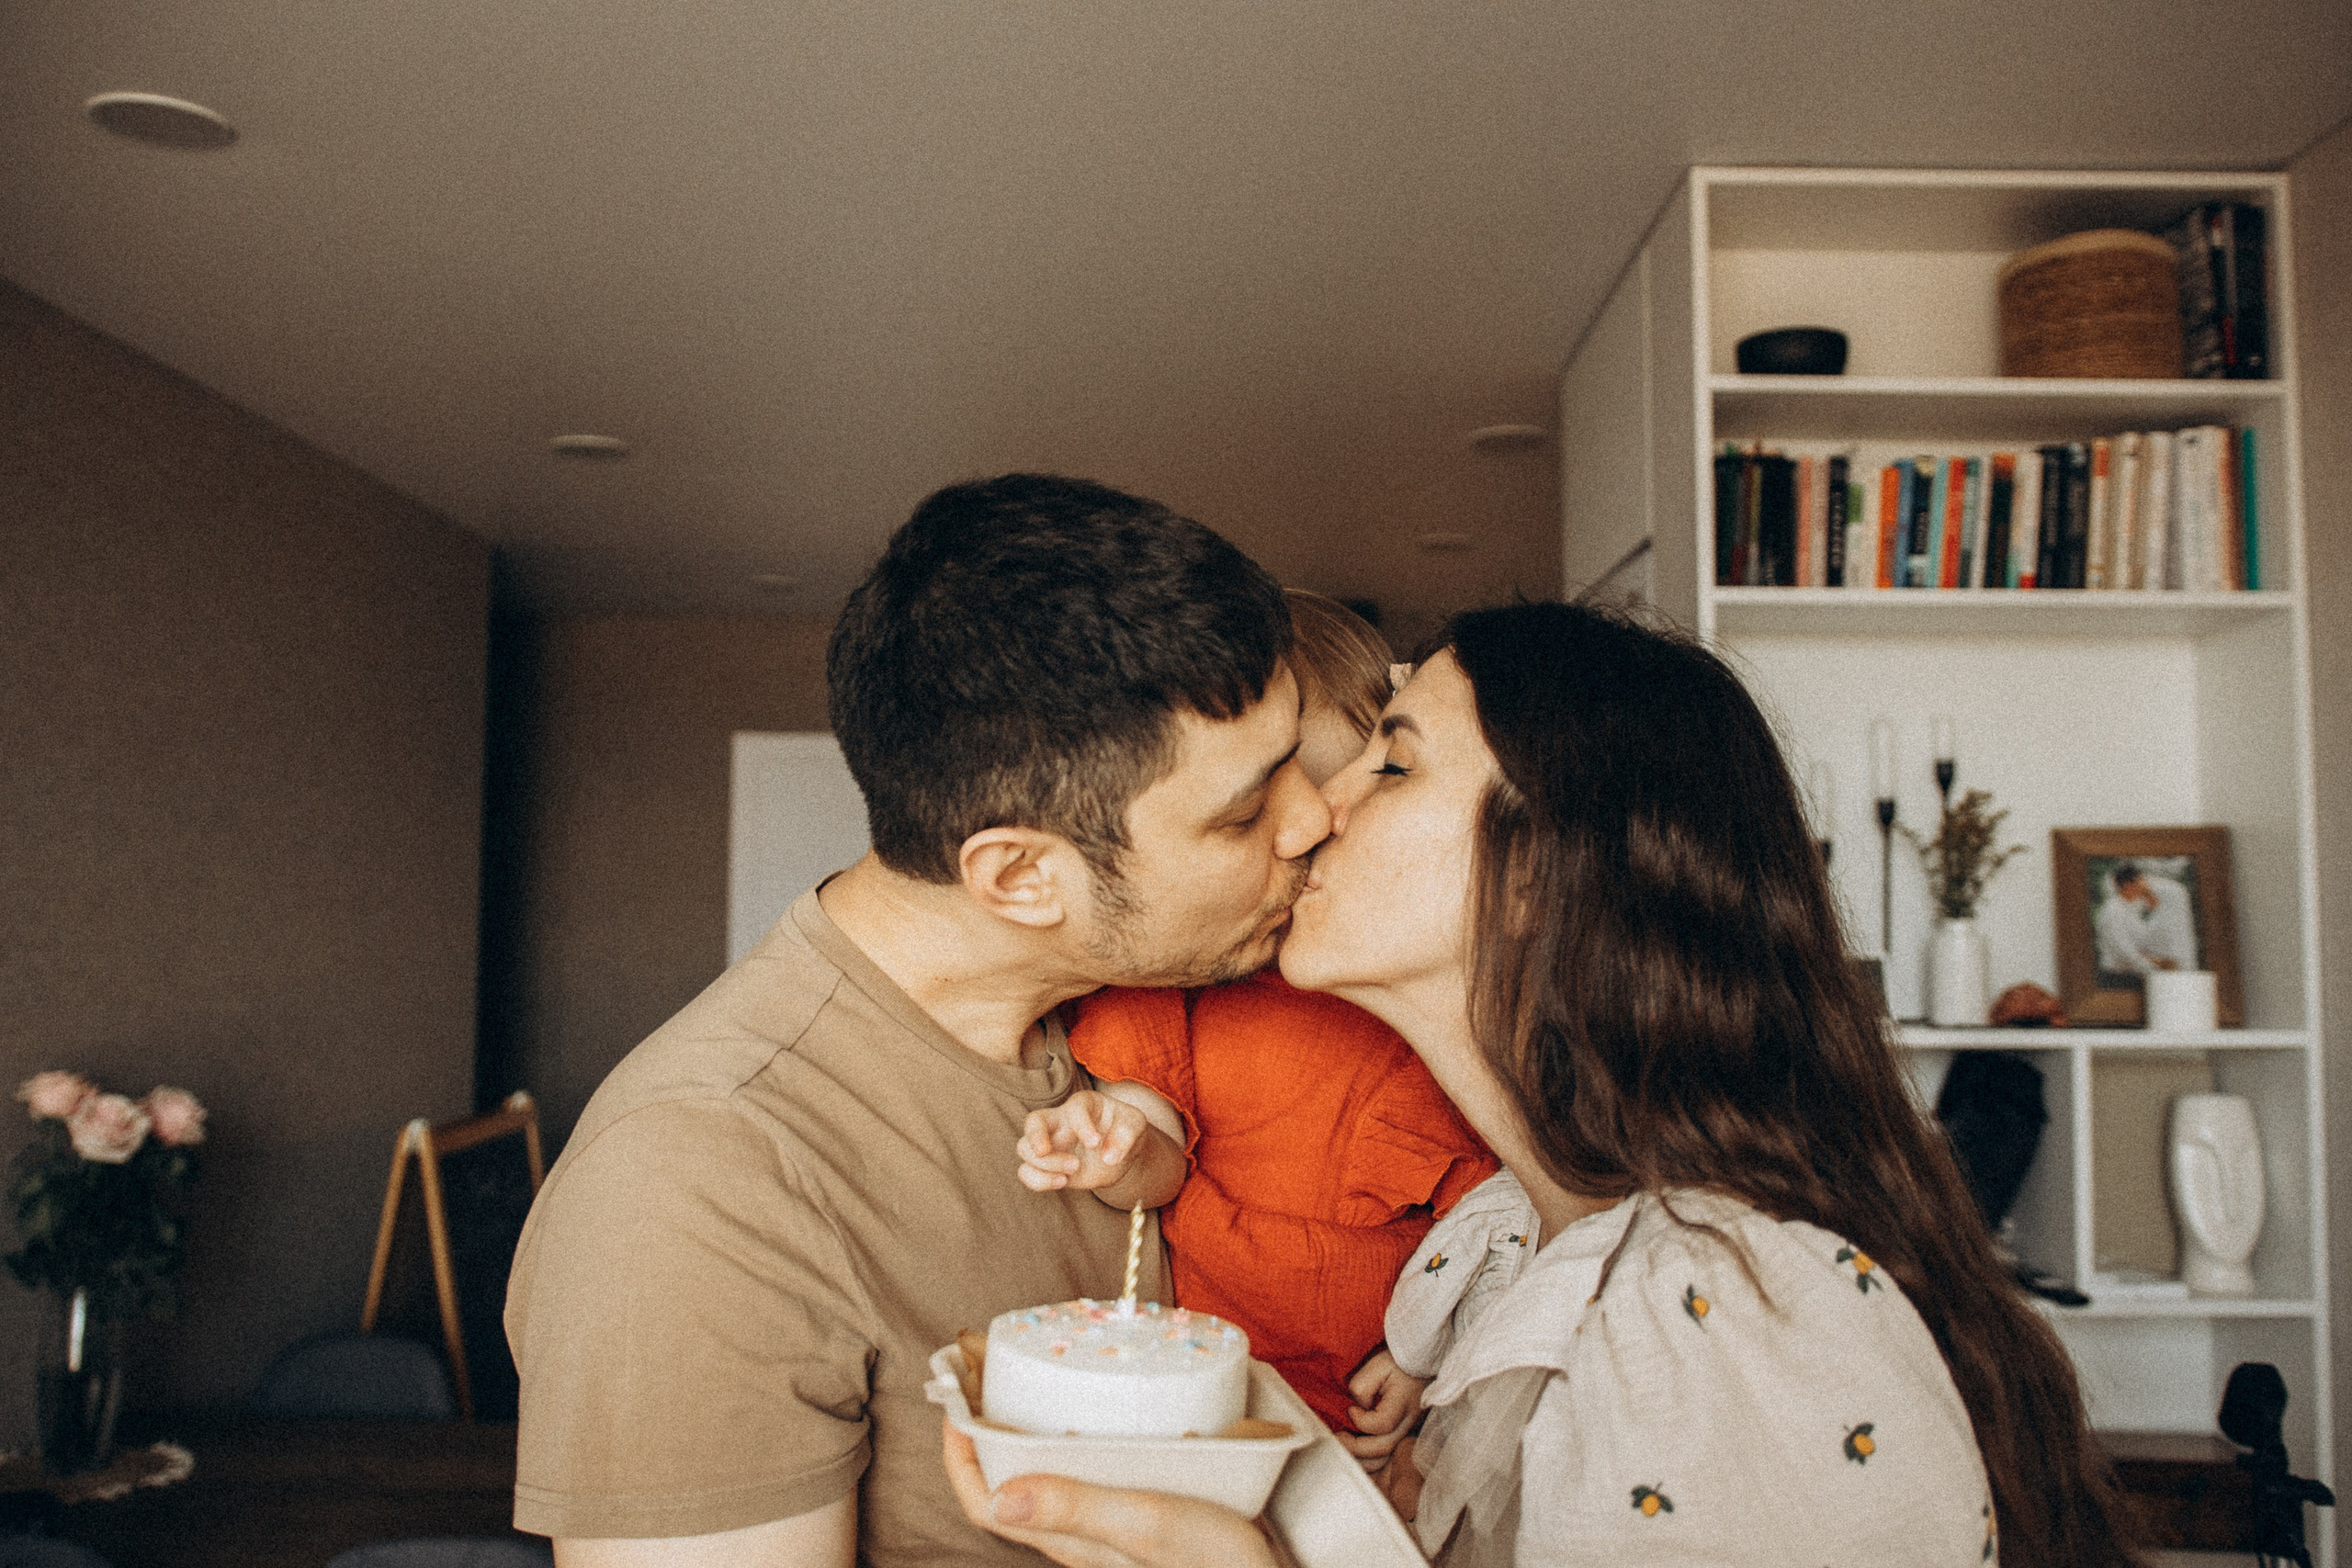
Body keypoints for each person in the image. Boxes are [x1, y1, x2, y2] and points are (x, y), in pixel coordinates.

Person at [950, 600, 2141, 1567]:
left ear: (1541, 874)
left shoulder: (1715, 1313)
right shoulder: (1508, 1248)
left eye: (1394, 761)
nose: (1310, 811)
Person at [506, 474, 1332, 1567]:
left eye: (1296, 766)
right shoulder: (697, 1180)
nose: (1316, 817)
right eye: (1243, 811)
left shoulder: (1138, 1021)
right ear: (1022, 877)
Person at [1017, 592, 1497, 1450]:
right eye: (1255, 816)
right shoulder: (1188, 980)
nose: (1313, 828)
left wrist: (1432, 1346)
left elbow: (1488, 1210)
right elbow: (1152, 1148)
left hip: (1397, 1384)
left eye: (1364, 788)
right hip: (1227, 1391)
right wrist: (1114, 1144)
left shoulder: (1417, 992)